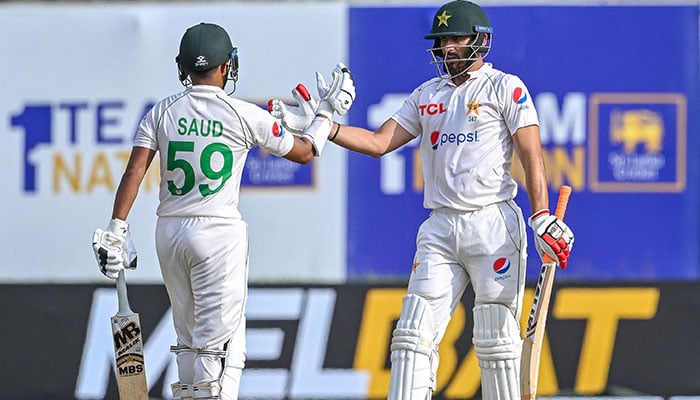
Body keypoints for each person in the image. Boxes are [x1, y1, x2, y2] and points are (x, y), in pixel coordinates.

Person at [270, 1, 574, 399]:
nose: (448, 47)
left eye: (456, 38)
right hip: (441, 227)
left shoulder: (505, 87)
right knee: (412, 336)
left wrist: (540, 216)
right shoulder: (426, 95)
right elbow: (380, 143)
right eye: (443, 40)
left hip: (493, 225)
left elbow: (531, 154)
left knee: (496, 340)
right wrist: (325, 128)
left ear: (481, 41)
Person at [91, 22, 354, 400]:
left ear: (183, 68)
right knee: (222, 347)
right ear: (226, 67)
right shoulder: (242, 113)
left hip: (168, 233)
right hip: (217, 234)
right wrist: (325, 115)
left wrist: (116, 228)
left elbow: (135, 170)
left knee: (187, 338)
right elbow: (305, 152)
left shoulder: (161, 112)